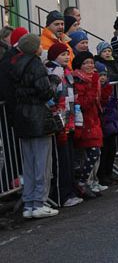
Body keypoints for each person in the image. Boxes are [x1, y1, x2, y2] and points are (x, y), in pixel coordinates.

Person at [10, 34, 59, 218]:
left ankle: (29, 203)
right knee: (42, 162)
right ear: (34, 47)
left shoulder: (15, 64)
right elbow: (45, 92)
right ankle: (39, 202)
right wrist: (54, 82)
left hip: (22, 115)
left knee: (29, 163)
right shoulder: (36, 64)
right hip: (37, 115)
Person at [45, 43, 83, 207]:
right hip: (59, 119)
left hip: (69, 118)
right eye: (62, 55)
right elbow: (51, 94)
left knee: (68, 158)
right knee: (61, 160)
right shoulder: (53, 71)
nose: (67, 57)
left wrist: (76, 115)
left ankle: (70, 190)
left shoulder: (67, 72)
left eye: (67, 54)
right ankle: (62, 195)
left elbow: (72, 94)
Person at [72, 52, 104, 199]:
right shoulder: (79, 81)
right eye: (86, 63)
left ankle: (88, 182)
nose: (90, 65)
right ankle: (82, 182)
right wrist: (92, 87)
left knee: (95, 153)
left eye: (91, 62)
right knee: (93, 153)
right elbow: (84, 103)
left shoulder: (93, 80)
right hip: (84, 122)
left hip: (93, 119)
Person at [96, 62, 118, 186]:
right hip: (103, 123)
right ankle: (103, 175)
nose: (102, 77)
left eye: (104, 75)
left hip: (111, 123)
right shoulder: (97, 90)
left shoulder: (108, 88)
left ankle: (109, 173)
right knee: (104, 151)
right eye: (100, 75)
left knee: (112, 150)